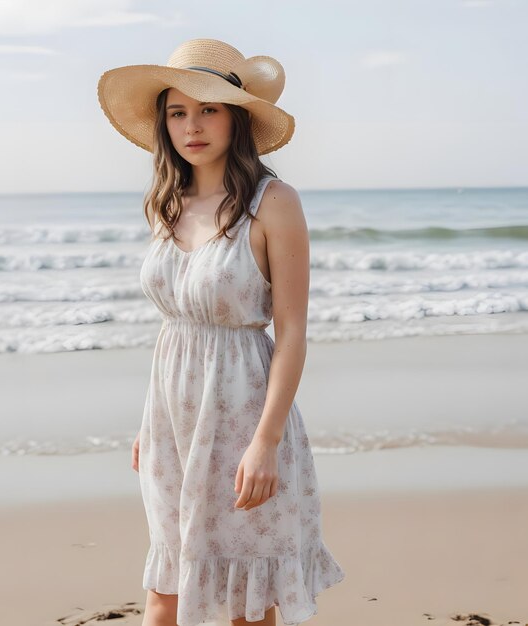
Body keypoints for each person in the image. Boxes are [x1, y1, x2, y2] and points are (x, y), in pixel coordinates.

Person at [97, 38, 345, 626]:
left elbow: (291, 334)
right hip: (171, 425)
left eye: (208, 109)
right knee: (165, 598)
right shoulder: (166, 201)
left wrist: (265, 443)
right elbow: (174, 326)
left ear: (237, 117)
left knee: (243, 600)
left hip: (243, 417)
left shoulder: (273, 202)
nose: (193, 126)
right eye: (178, 112)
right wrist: (147, 421)